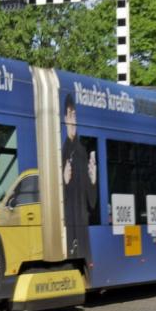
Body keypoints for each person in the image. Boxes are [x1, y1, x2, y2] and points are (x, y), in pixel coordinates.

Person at [62, 92, 97, 259]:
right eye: (70, 115)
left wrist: (93, 180)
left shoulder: (82, 152)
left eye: (75, 115)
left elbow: (92, 203)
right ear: (65, 118)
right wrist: (64, 181)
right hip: (69, 222)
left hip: (82, 222)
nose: (73, 120)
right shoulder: (60, 152)